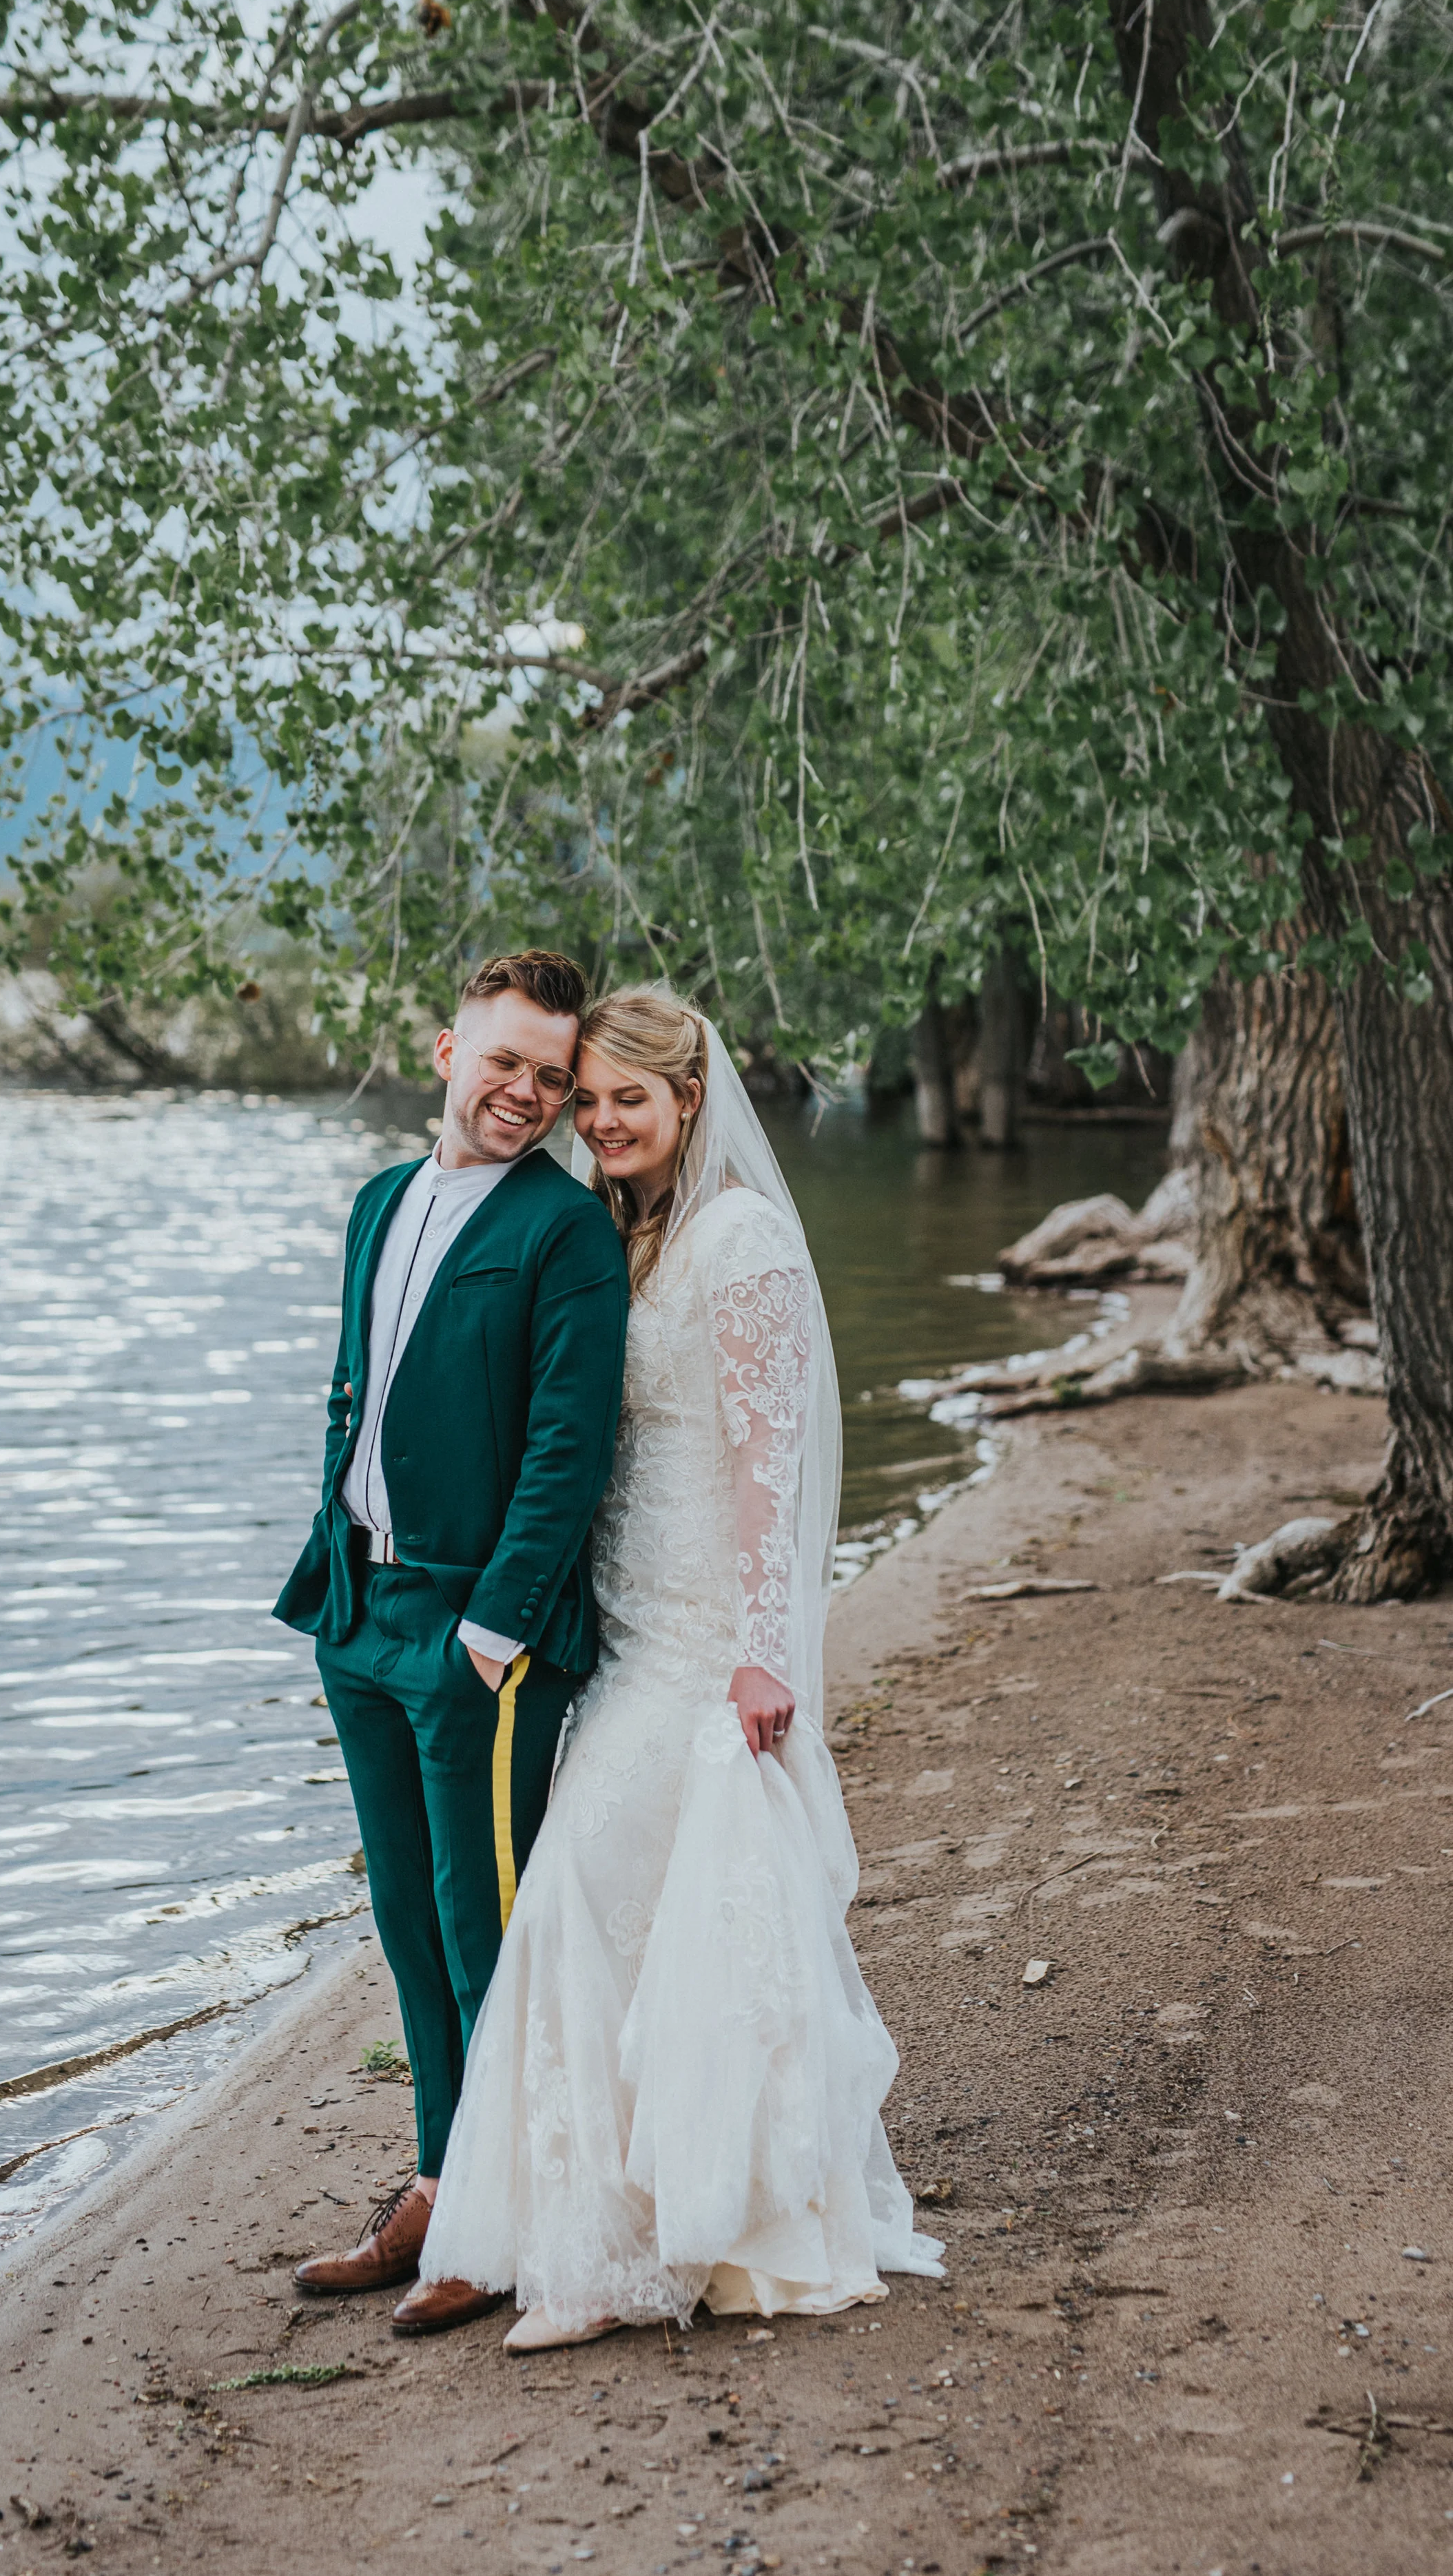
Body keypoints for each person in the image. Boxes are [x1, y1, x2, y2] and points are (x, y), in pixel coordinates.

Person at [415, 986, 945, 2348]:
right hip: (626, 1627)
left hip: (709, 1635)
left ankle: (631, 2253)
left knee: (594, 1888)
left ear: (689, 1097)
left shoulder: (741, 1238)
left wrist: (767, 1649)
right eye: (586, 1100)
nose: (600, 1121)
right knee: (619, 1908)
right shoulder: (614, 1231)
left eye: (627, 1099)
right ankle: (599, 2227)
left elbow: (772, 1463)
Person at [272, 951, 630, 2334]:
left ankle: (505, 2220)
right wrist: (334, 1565)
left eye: (551, 1075)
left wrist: (492, 1632)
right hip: (357, 1612)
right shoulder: (379, 1199)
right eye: (505, 1061)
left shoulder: (564, 1230)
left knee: (488, 1930)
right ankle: (439, 2181)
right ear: (446, 1050)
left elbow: (567, 1447)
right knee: (408, 1921)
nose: (526, 1092)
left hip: (479, 1637)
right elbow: (356, 1392)